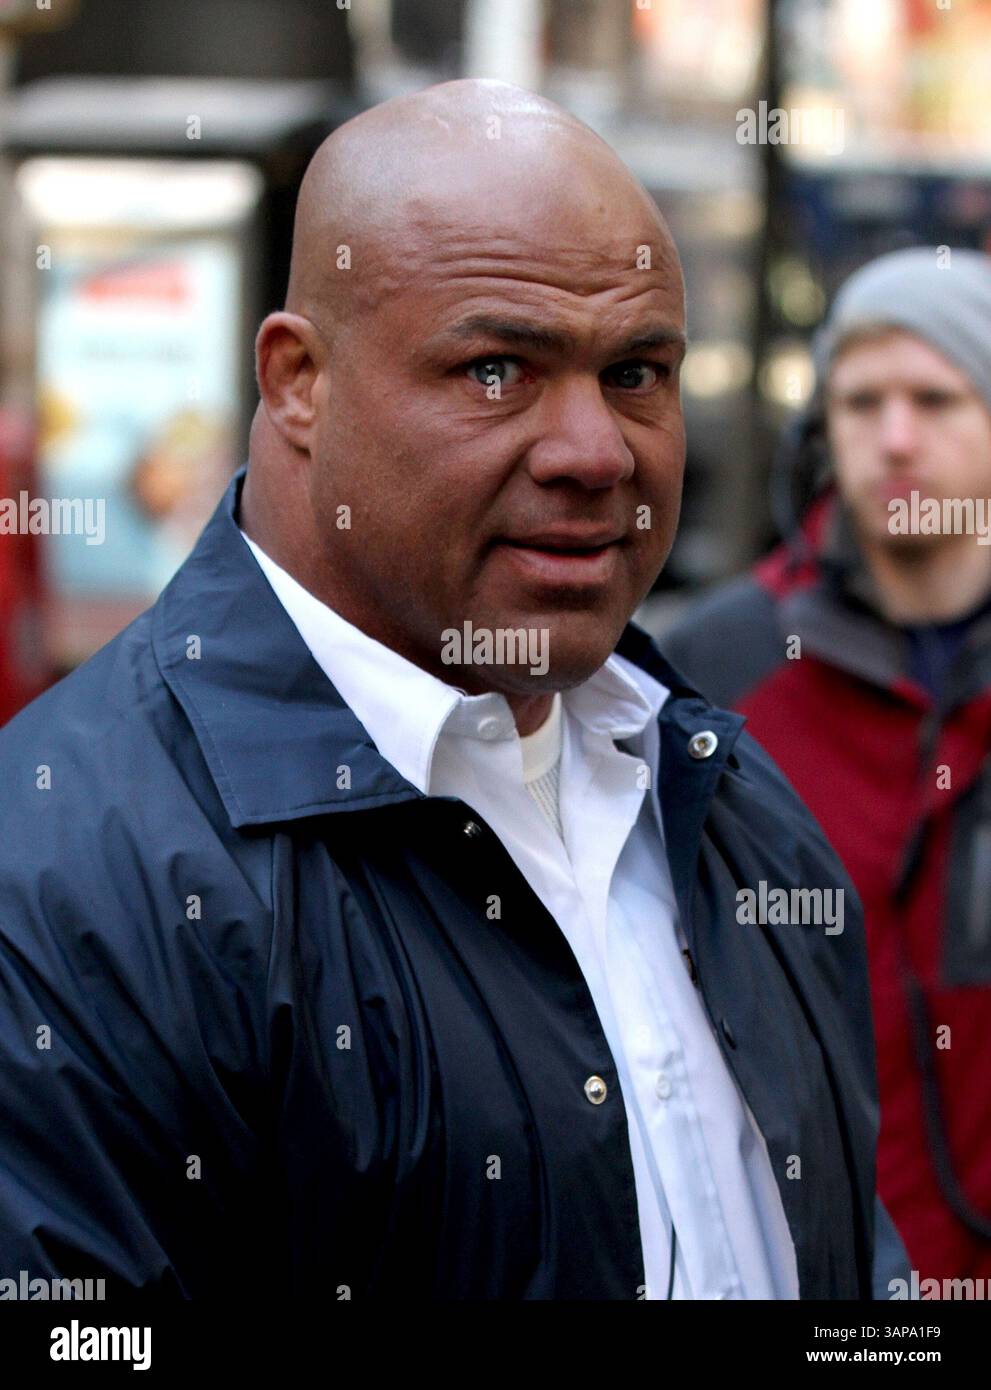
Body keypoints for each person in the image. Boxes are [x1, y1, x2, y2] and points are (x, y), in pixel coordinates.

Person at [0, 79, 907, 1300]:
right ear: (298, 383)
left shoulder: (731, 809)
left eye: (637, 372)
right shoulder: (69, 877)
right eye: (497, 370)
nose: (593, 451)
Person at [663, 246, 991, 1289]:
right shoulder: (719, 665)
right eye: (861, 402)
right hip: (815, 1272)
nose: (895, 438)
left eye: (935, 398)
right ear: (818, 432)